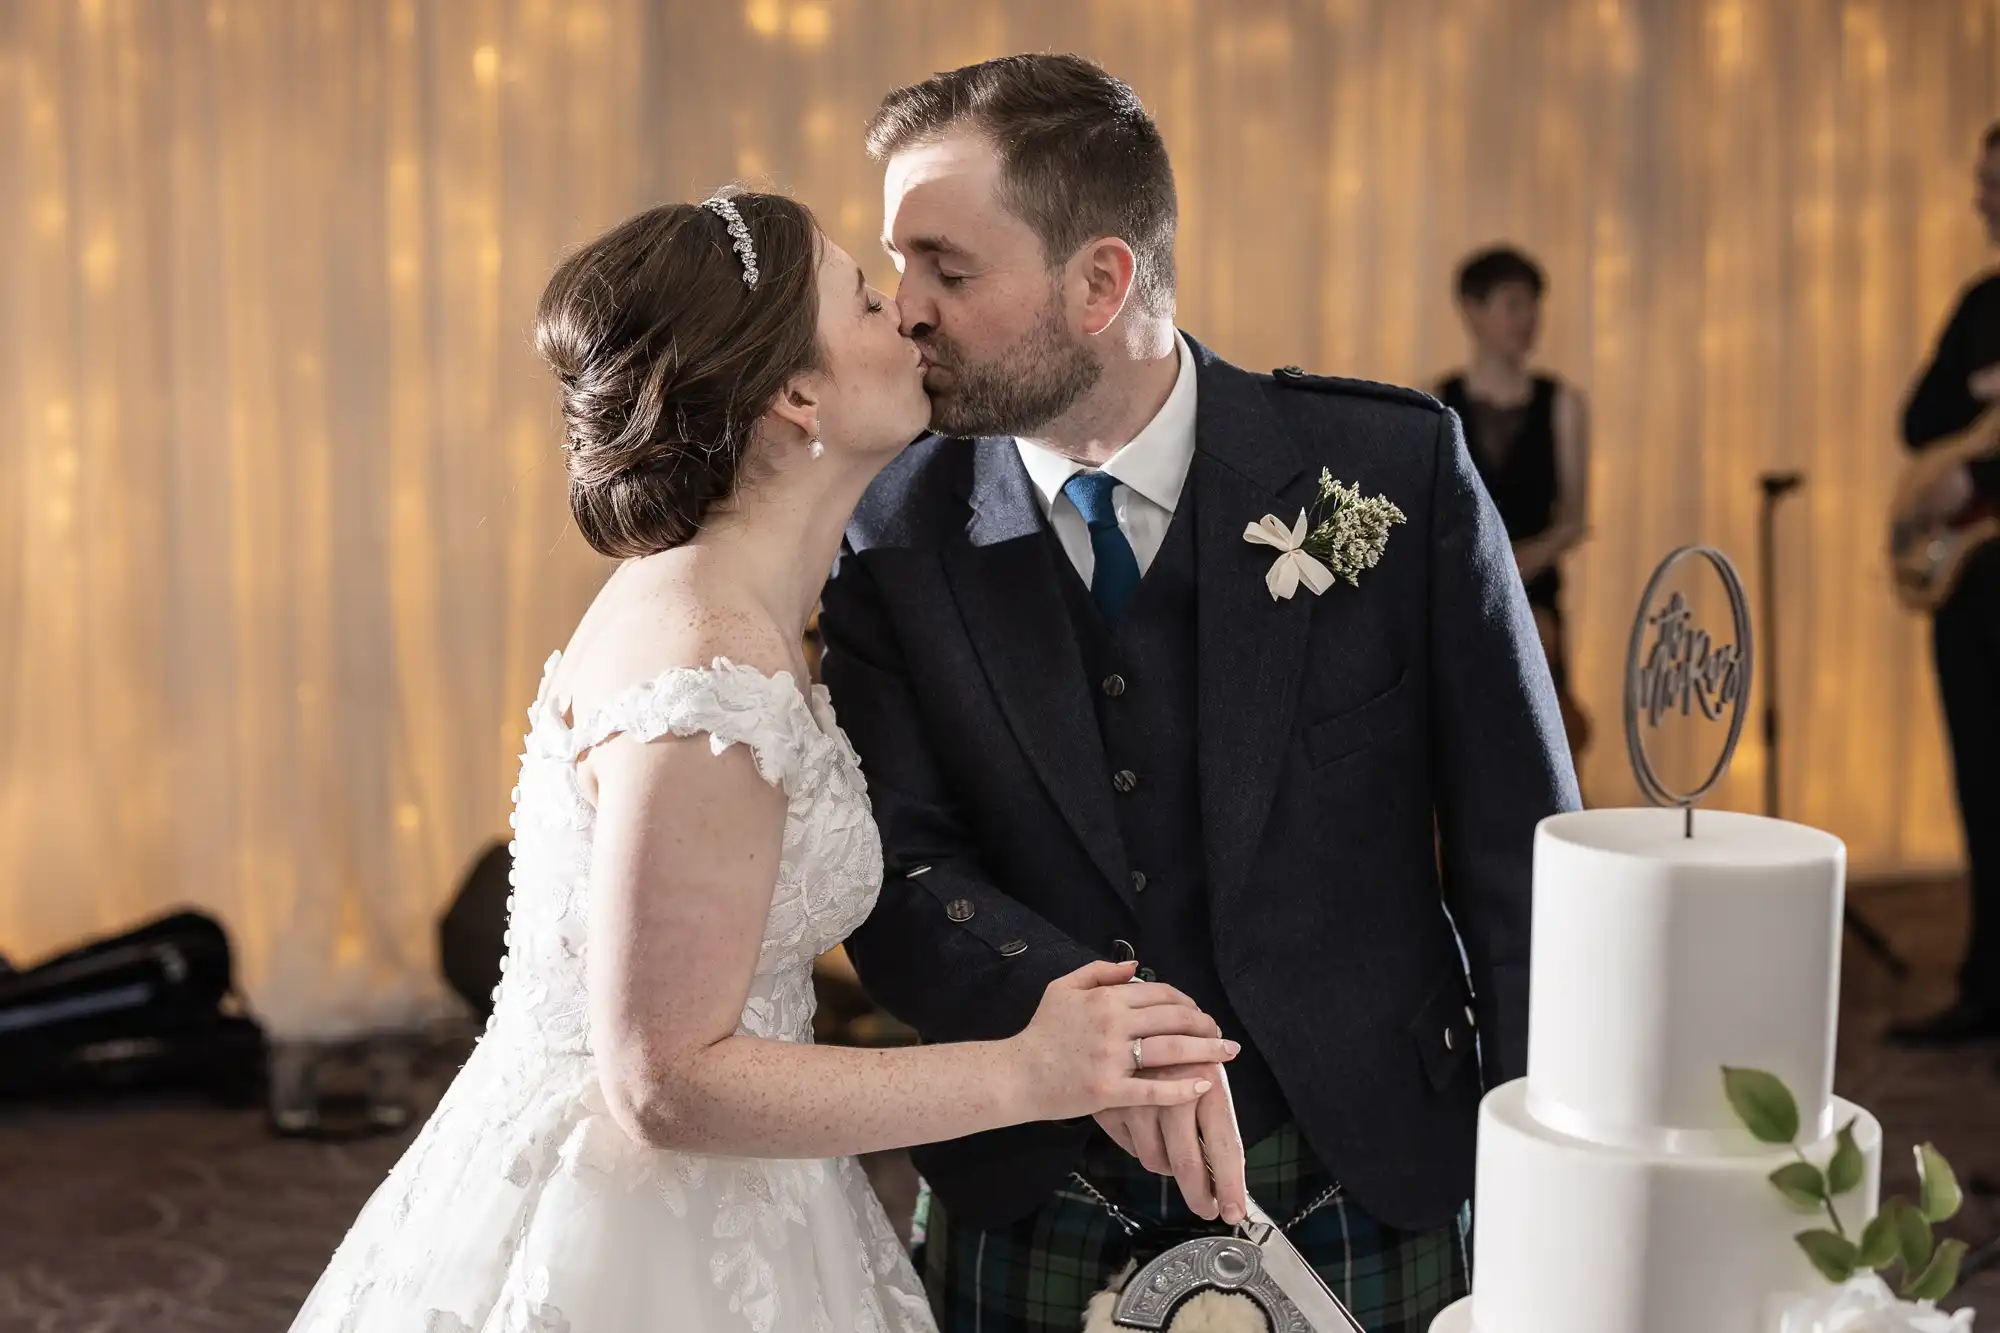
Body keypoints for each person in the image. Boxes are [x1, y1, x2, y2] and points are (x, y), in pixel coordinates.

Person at [287, 193, 1242, 1333]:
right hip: (638, 1242)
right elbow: (665, 1082)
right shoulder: (705, 666)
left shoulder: (739, 610)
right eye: (869, 301)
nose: (912, 322)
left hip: (744, 1202)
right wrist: (1027, 1072)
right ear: (796, 395)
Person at [820, 55, 1579, 1333]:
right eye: (896, 267)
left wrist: (1546, 1204)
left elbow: (1522, 864)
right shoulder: (888, 529)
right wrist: (1104, 1027)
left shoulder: (1391, 471)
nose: (905, 312)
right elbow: (889, 866)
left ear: (1101, 280)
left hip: (1368, 1165)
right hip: (1033, 1177)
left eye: (947, 271)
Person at [1887, 122, 2000, 1049]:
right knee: (1979, 780)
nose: (1982, 200)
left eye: (1995, 184)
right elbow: (1918, 418)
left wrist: (1982, 478)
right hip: (1968, 581)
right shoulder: (1981, 300)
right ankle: (1984, 983)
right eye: (1982, 181)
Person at [1435, 247, 1592, 774]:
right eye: (1514, 304)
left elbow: (1573, 520)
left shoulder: (1563, 402)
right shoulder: (1435, 401)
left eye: (1534, 306)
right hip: (1459, 598)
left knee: (1546, 751)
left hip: (1538, 601)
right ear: (1471, 310)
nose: (1529, 320)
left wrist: (1515, 565)